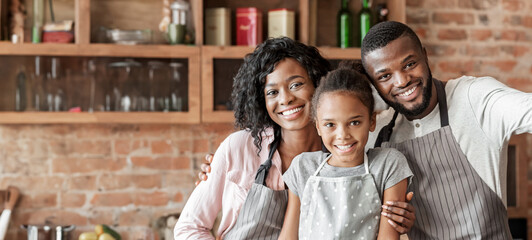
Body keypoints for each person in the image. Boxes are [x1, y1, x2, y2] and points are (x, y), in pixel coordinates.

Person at [361, 21, 532, 238]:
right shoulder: (375, 134)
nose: (402, 81)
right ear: (374, 84)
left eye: (409, 64)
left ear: (425, 56)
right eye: (385, 76)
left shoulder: (474, 98)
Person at [174, 37, 331, 239]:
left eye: (296, 85)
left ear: (318, 84)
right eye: (272, 92)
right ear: (261, 100)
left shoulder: (341, 154)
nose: (285, 99)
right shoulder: (239, 148)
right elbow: (189, 228)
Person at [279, 62, 413, 239]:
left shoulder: (388, 164)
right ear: (318, 126)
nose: (342, 135)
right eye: (330, 125)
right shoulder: (303, 166)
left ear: (372, 121)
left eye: (354, 122)